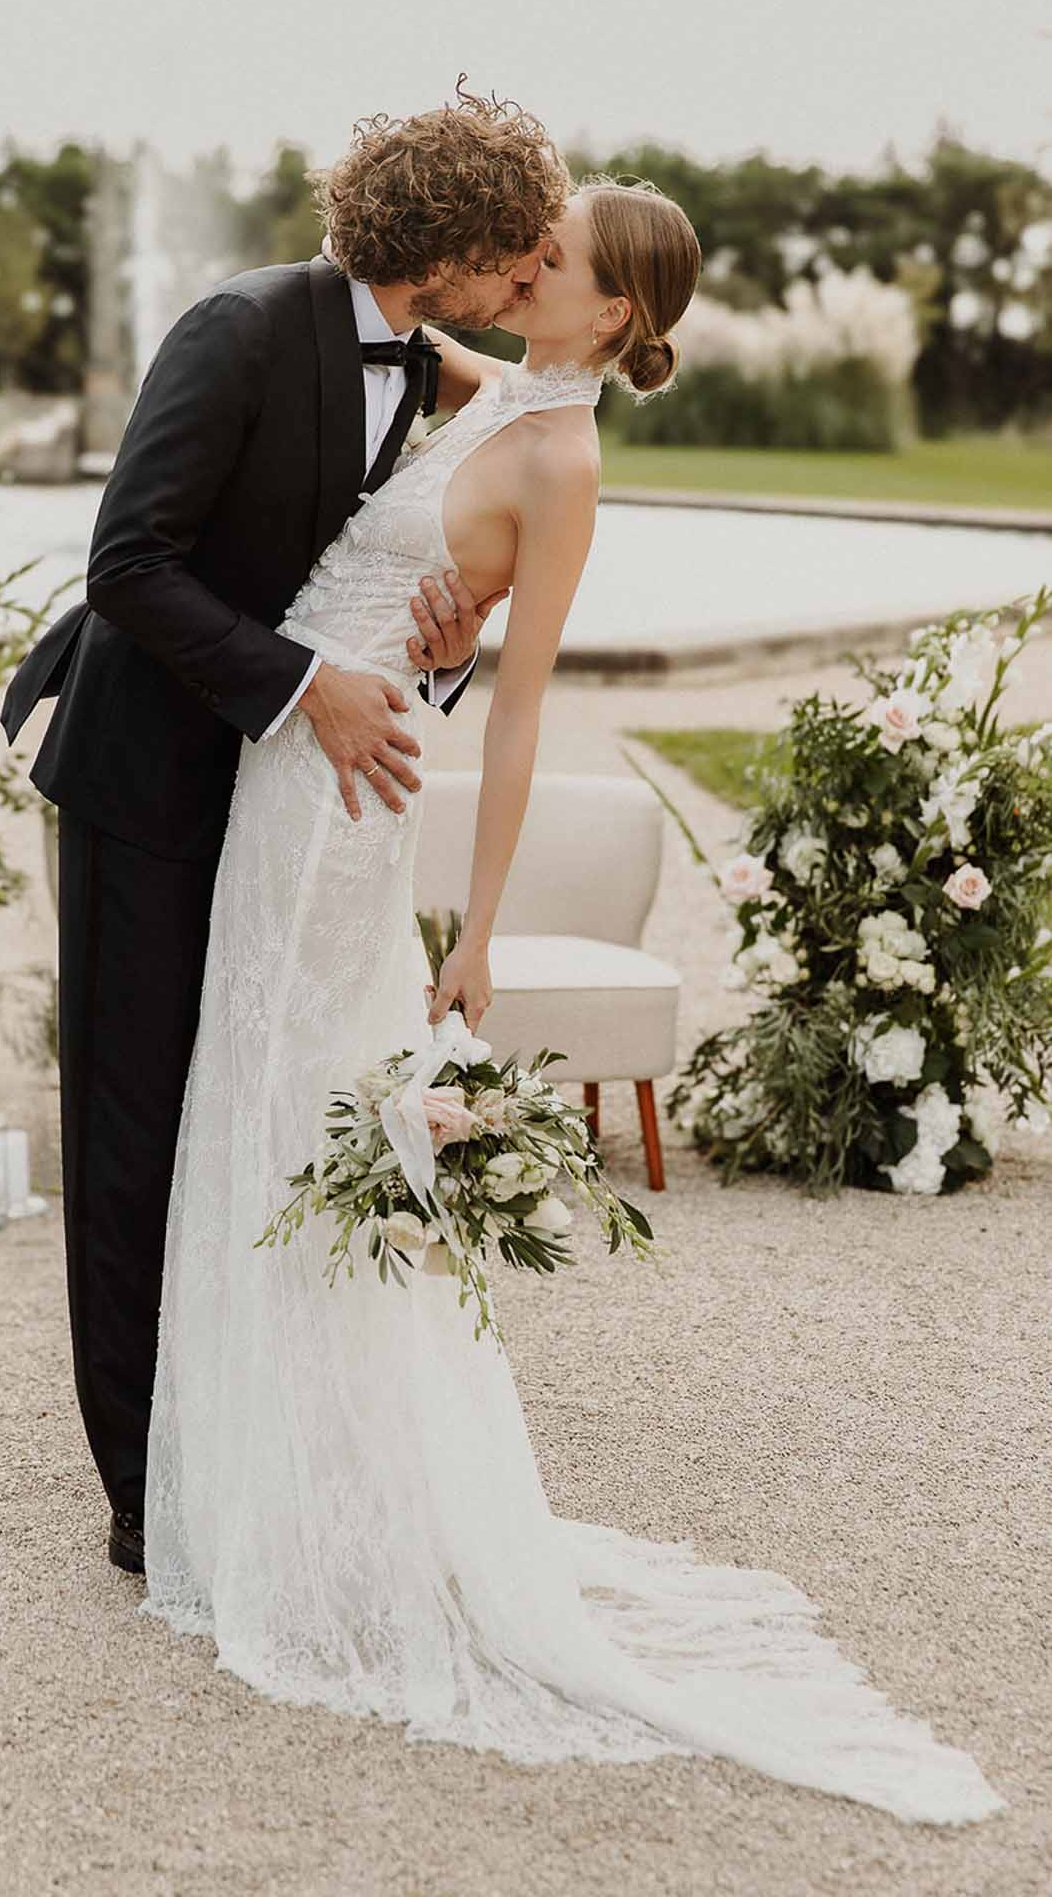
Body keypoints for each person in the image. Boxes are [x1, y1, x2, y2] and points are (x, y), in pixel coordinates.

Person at [138, 175, 1004, 1826]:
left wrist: (478, 930)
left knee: (299, 1093)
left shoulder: (564, 460)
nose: (527, 262)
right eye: (532, 243)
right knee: (251, 1090)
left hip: (346, 799)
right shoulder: (489, 385)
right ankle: (248, 1469)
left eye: (558, 257)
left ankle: (323, 1503)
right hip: (289, 756)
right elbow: (393, 343)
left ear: (613, 312)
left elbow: (524, 707)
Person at [0, 87, 572, 1576]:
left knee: (248, 1108)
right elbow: (128, 562)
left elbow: (382, 577)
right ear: (446, 244)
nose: (528, 275)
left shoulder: (431, 368)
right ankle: (146, 1494)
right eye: (515, 251)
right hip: (146, 780)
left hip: (289, 808)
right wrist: (309, 688)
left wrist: (437, 650)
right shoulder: (241, 328)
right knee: (132, 1129)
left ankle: (239, 1433)